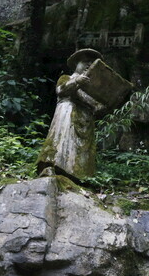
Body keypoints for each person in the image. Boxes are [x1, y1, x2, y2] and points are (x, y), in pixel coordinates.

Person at [37, 49, 107, 181]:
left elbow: (95, 105)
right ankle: (53, 165)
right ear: (76, 63)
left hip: (85, 119)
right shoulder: (66, 78)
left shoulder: (91, 89)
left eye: (92, 63)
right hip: (67, 113)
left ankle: (80, 175)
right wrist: (76, 81)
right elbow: (61, 90)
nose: (88, 65)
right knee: (62, 140)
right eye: (86, 61)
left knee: (82, 149)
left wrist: (100, 106)